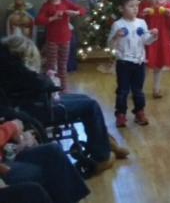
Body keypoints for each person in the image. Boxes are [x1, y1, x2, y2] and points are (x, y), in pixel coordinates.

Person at [0, 35, 130, 172]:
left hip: (33, 104)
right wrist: (51, 80)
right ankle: (102, 157)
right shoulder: (16, 72)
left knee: (84, 98)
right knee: (91, 106)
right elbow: (44, 84)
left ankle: (105, 142)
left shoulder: (8, 67)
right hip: (34, 110)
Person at [0, 120, 90, 203]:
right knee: (48, 171)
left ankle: (74, 199)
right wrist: (12, 127)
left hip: (5, 152)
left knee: (53, 150)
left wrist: (18, 135)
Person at [109, 0, 158, 127]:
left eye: (136, 5)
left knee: (138, 90)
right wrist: (116, 37)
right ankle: (121, 114)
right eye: (131, 6)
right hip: (123, 62)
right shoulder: (117, 25)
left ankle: (139, 111)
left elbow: (146, 42)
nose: (135, 8)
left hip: (139, 63)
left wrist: (153, 36)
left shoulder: (141, 23)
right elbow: (110, 45)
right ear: (121, 8)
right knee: (123, 90)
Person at [34, 0, 86, 91]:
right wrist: (53, 18)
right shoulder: (46, 6)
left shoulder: (66, 3)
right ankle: (52, 88)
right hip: (52, 40)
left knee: (63, 66)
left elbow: (82, 10)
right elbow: (37, 21)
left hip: (66, 39)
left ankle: (64, 88)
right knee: (51, 66)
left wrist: (75, 12)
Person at [139, 0, 170, 99]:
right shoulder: (144, 2)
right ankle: (139, 90)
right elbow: (139, 20)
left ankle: (156, 89)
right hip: (149, 36)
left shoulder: (167, 3)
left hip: (162, 37)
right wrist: (145, 13)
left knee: (159, 63)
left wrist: (169, 15)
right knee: (146, 64)